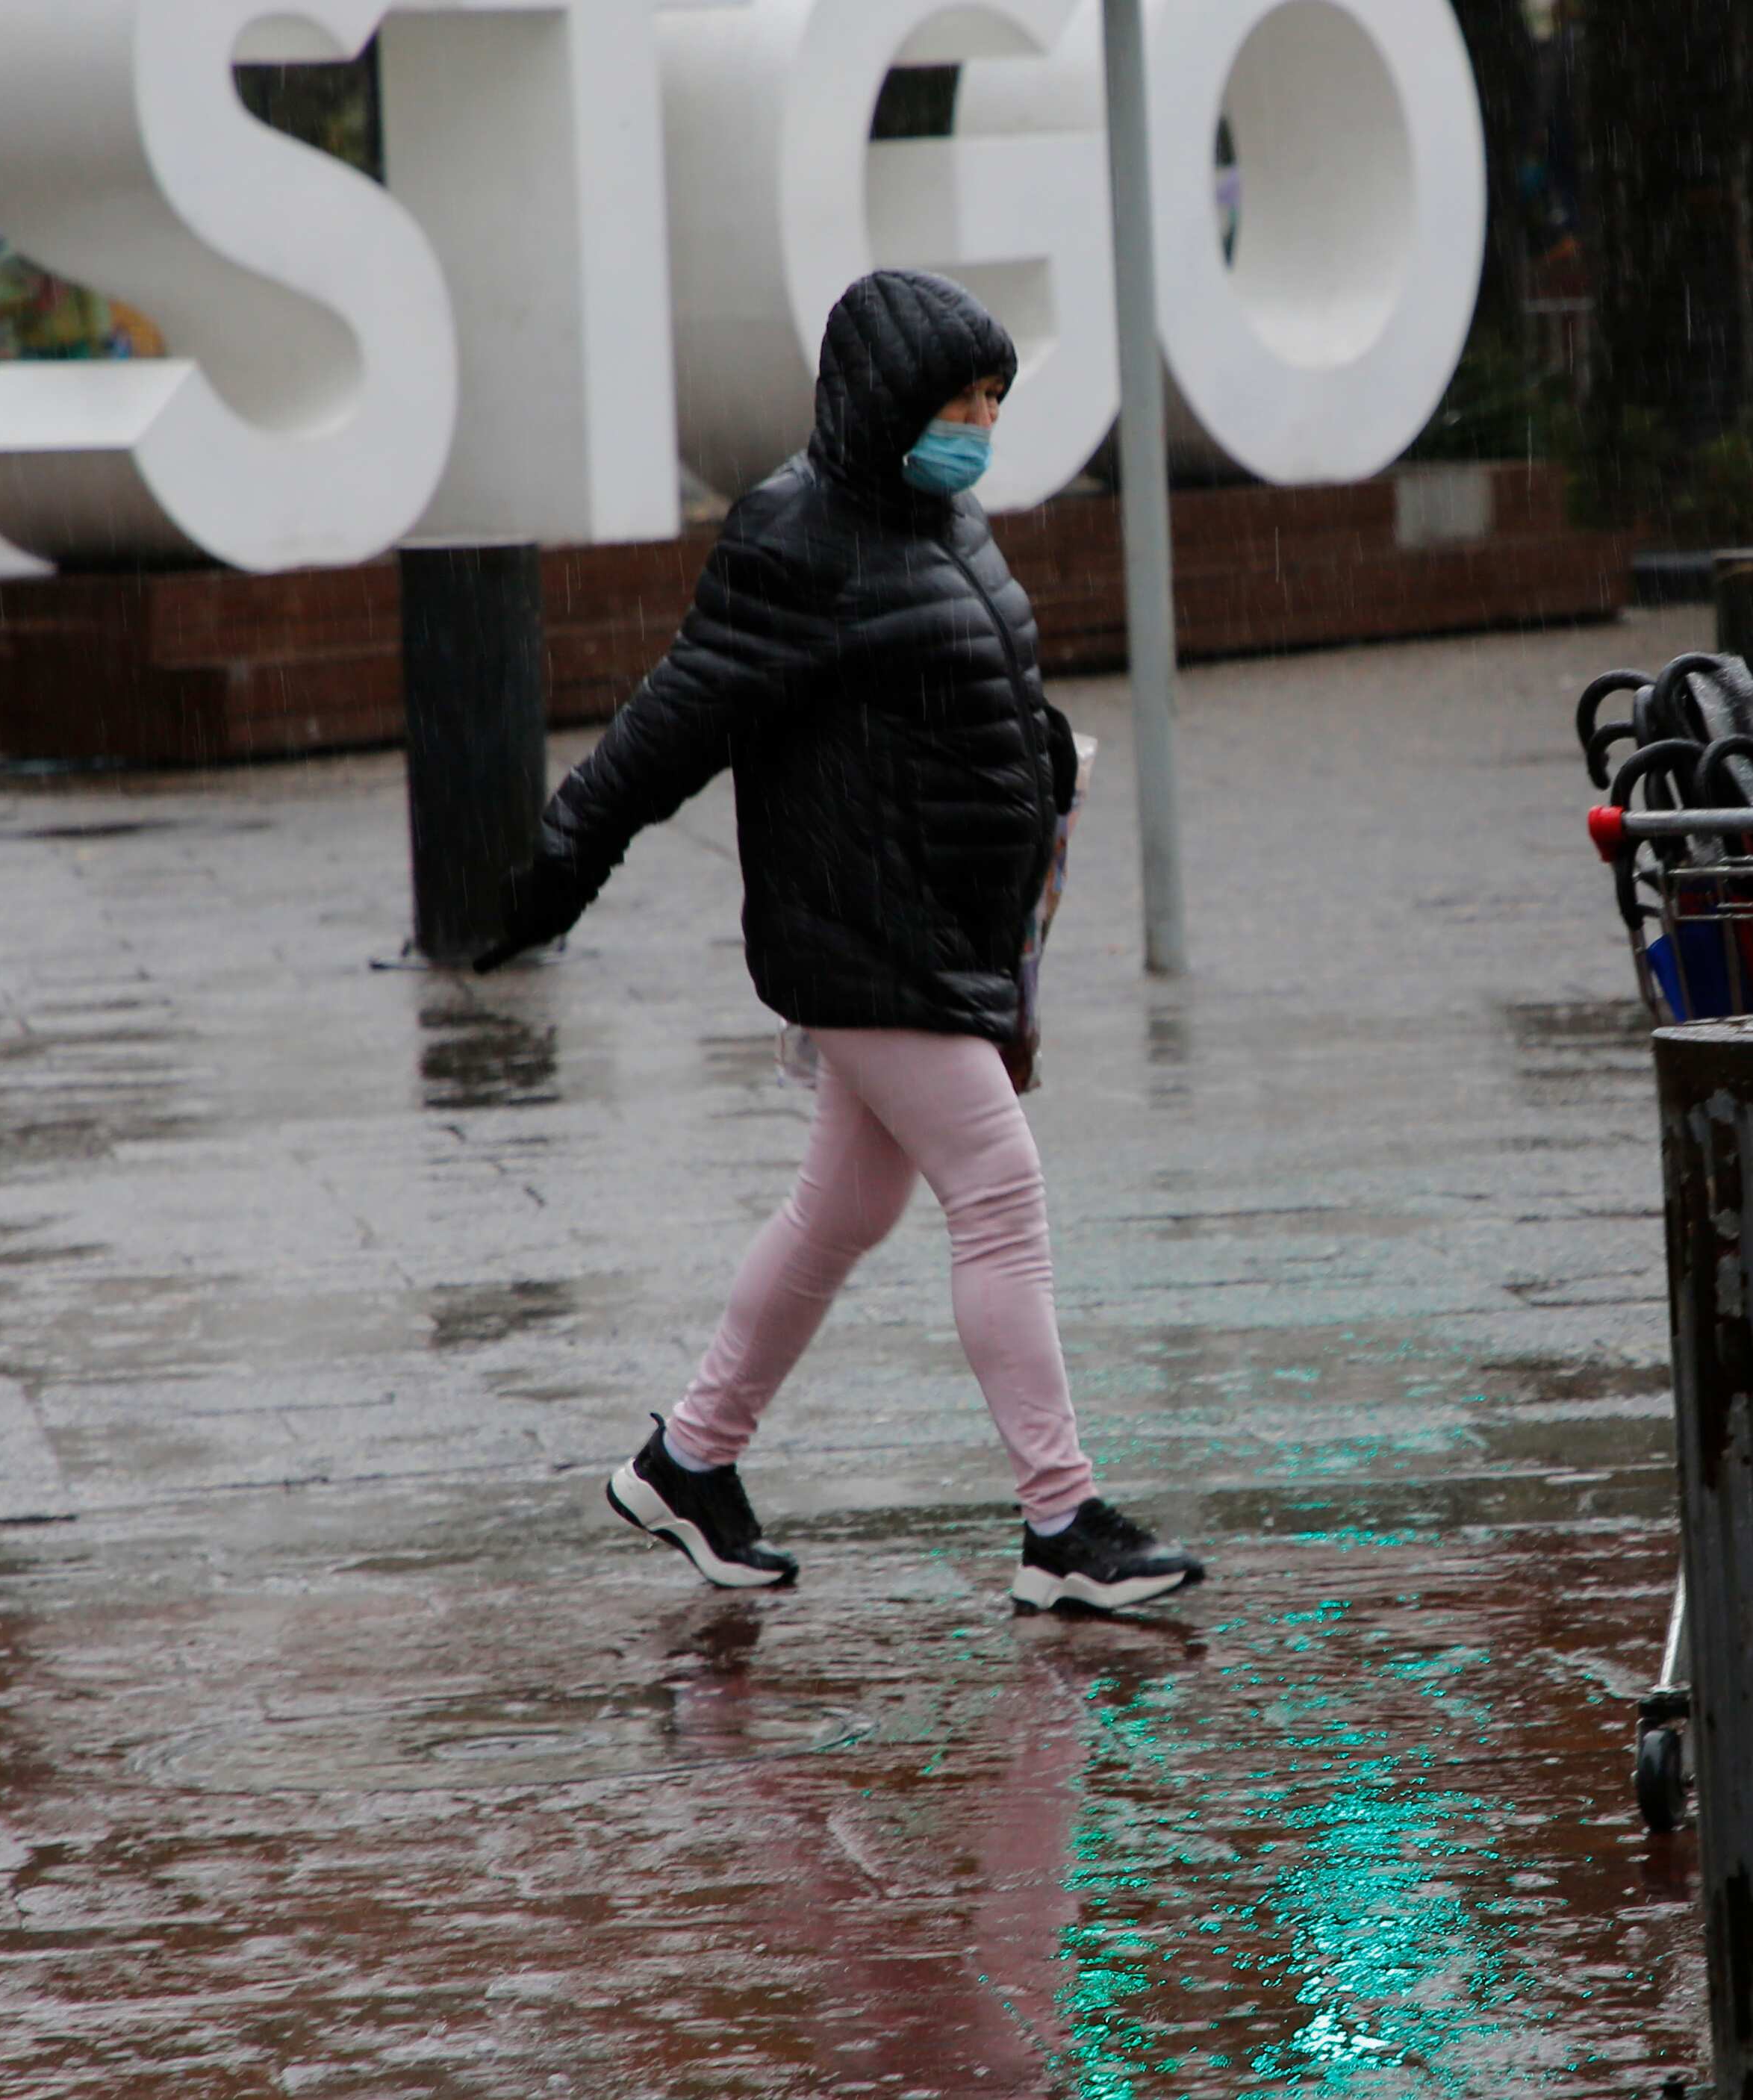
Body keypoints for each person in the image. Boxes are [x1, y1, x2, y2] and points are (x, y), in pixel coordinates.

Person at [478, 268, 1206, 1617]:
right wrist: (564, 856)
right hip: (864, 933)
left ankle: (690, 1456)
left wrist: (1028, 762)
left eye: (993, 397)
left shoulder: (938, 516)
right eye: (958, 399)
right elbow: (676, 718)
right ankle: (1061, 1522)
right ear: (886, 402)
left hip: (936, 928)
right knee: (998, 1191)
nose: (980, 422)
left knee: (848, 1206)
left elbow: (966, 679)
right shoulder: (794, 538)